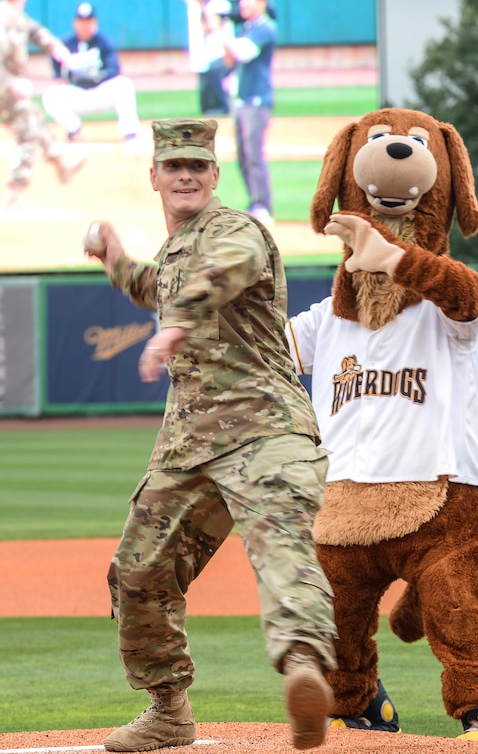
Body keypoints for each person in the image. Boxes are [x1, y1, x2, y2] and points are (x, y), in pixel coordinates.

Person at [86, 117, 338, 753]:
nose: (186, 175)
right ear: (155, 177)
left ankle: (304, 670)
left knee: (281, 548)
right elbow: (157, 284)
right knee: (138, 572)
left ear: (215, 176)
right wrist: (116, 259)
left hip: (266, 432)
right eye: (174, 166)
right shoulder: (176, 249)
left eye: (198, 165)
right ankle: (168, 709)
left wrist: (174, 327)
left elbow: (224, 271)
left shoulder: (235, 231)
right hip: (189, 447)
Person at [0, 0, 85, 209]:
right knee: (28, 135)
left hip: (8, 89)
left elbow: (36, 32)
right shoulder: (3, 19)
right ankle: (14, 196)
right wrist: (9, 83)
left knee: (34, 120)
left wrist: (57, 49)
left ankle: (62, 164)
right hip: (4, 89)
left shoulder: (15, 17)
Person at [42, 2, 139, 142]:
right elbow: (54, 55)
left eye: (88, 21)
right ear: (75, 22)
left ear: (94, 22)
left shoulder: (104, 42)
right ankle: (73, 128)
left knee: (124, 84)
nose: (84, 25)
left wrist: (99, 77)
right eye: (81, 21)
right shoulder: (66, 43)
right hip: (77, 93)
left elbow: (115, 69)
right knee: (50, 95)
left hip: (100, 92)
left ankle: (129, 131)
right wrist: (58, 75)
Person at [223, 0, 276, 227]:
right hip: (243, 100)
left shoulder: (265, 28)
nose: (242, 4)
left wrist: (222, 28)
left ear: (262, 1)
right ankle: (254, 203)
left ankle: (263, 206)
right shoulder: (247, 27)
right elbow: (230, 60)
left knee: (254, 155)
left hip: (257, 101)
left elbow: (243, 52)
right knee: (243, 156)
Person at [170, 0, 234, 116]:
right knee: (205, 85)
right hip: (201, 49)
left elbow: (212, 26)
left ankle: (223, 109)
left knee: (218, 81)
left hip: (219, 49)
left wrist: (204, 3)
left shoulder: (218, 0)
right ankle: (210, 110)